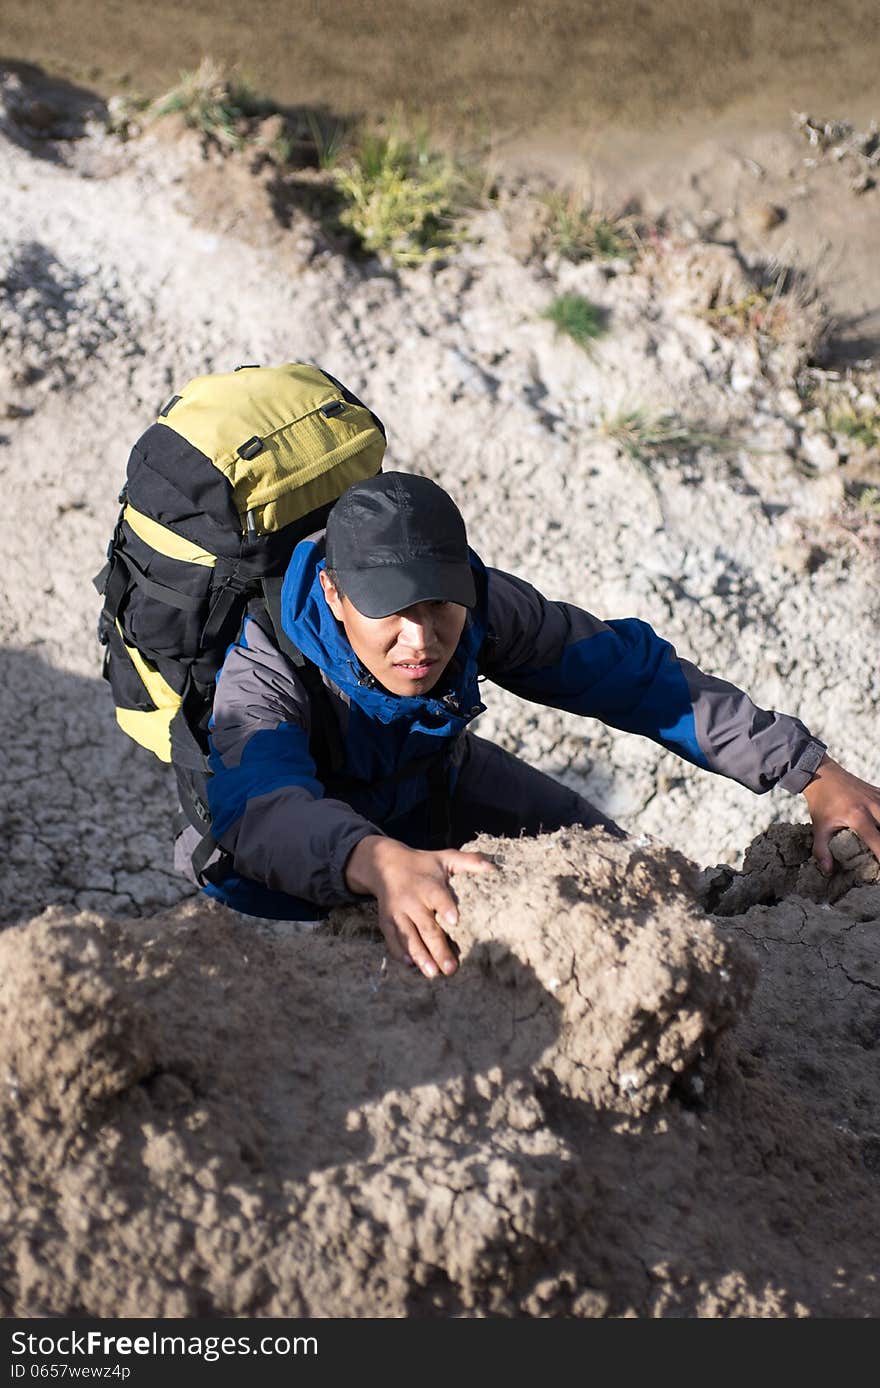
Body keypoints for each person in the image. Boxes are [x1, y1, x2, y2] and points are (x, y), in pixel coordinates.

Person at [176, 471, 880, 980]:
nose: (420, 640)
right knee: (386, 975)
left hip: (429, 785)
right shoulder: (265, 665)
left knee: (619, 874)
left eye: (438, 606)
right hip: (293, 855)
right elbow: (262, 808)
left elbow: (633, 677)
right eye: (389, 610)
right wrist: (371, 860)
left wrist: (809, 770)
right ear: (334, 593)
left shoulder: (484, 604)